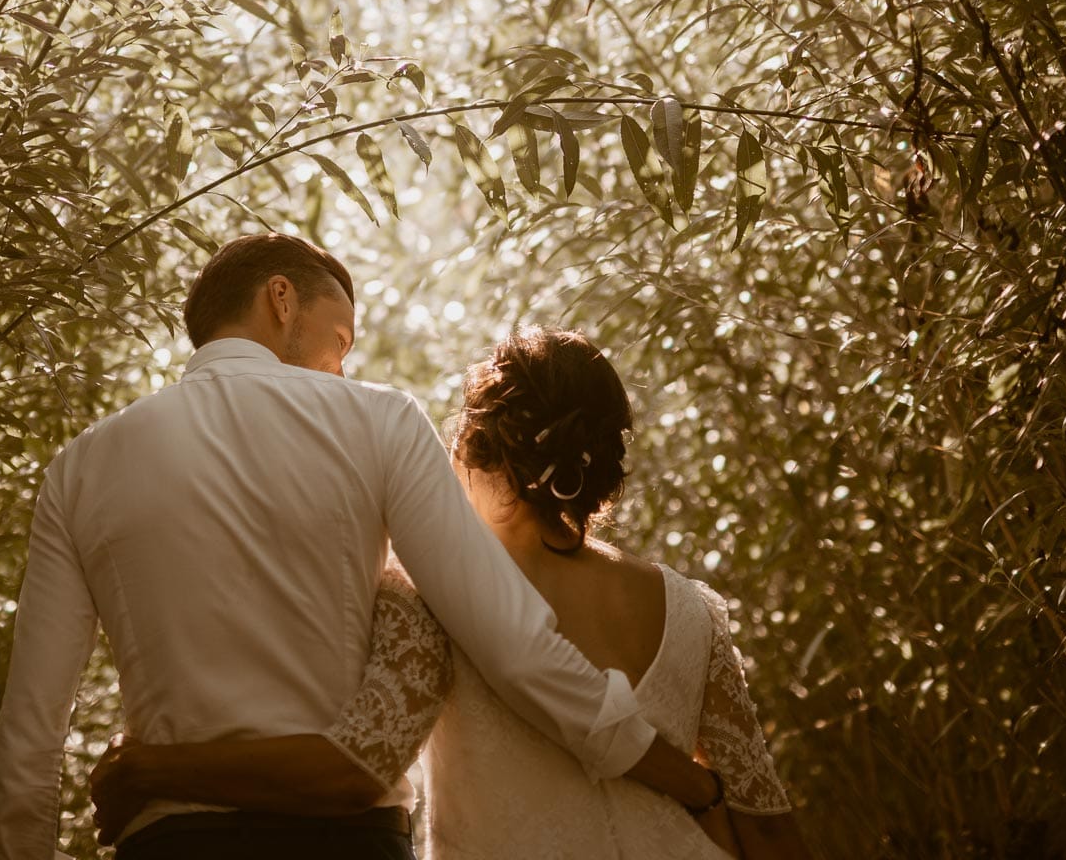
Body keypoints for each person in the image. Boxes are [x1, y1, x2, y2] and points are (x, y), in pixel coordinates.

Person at [0, 237, 726, 860]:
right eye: (339, 341)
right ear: (281, 299)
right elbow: (512, 641)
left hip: (172, 844)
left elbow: (29, 736)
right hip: (344, 843)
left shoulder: (81, 467)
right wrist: (663, 766)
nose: (342, 366)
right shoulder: (379, 421)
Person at [90, 327, 814, 860]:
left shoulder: (425, 600)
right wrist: (705, 796)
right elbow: (768, 820)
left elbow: (354, 767)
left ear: (469, 448)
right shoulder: (690, 608)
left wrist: (155, 768)